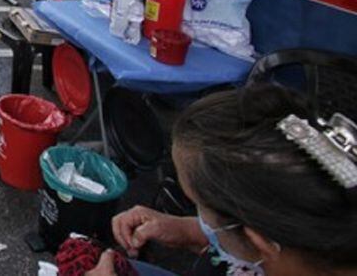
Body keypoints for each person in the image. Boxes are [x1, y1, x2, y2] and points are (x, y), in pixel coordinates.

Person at [86, 85, 357, 276]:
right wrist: (189, 231)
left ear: (259, 243)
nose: (202, 221)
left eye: (197, 207)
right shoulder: (316, 241)